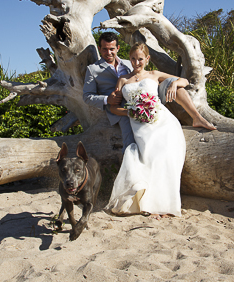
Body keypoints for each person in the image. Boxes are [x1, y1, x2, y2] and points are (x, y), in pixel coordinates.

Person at [83, 34, 216, 153]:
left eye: (111, 49)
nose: (108, 52)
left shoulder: (130, 62)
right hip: (121, 107)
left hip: (150, 99)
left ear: (117, 48)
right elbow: (87, 96)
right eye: (105, 49)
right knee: (131, 145)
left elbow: (142, 74)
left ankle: (197, 117)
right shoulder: (93, 69)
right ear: (99, 49)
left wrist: (174, 83)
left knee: (174, 84)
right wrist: (107, 99)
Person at [105, 43, 192, 217]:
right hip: (139, 126)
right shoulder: (123, 80)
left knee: (165, 157)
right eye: (133, 59)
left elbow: (185, 81)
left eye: (140, 59)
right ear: (129, 59)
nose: (136, 63)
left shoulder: (154, 74)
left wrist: (174, 84)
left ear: (147, 59)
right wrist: (130, 111)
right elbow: (113, 108)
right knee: (149, 159)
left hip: (163, 122)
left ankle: (166, 206)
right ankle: (149, 203)